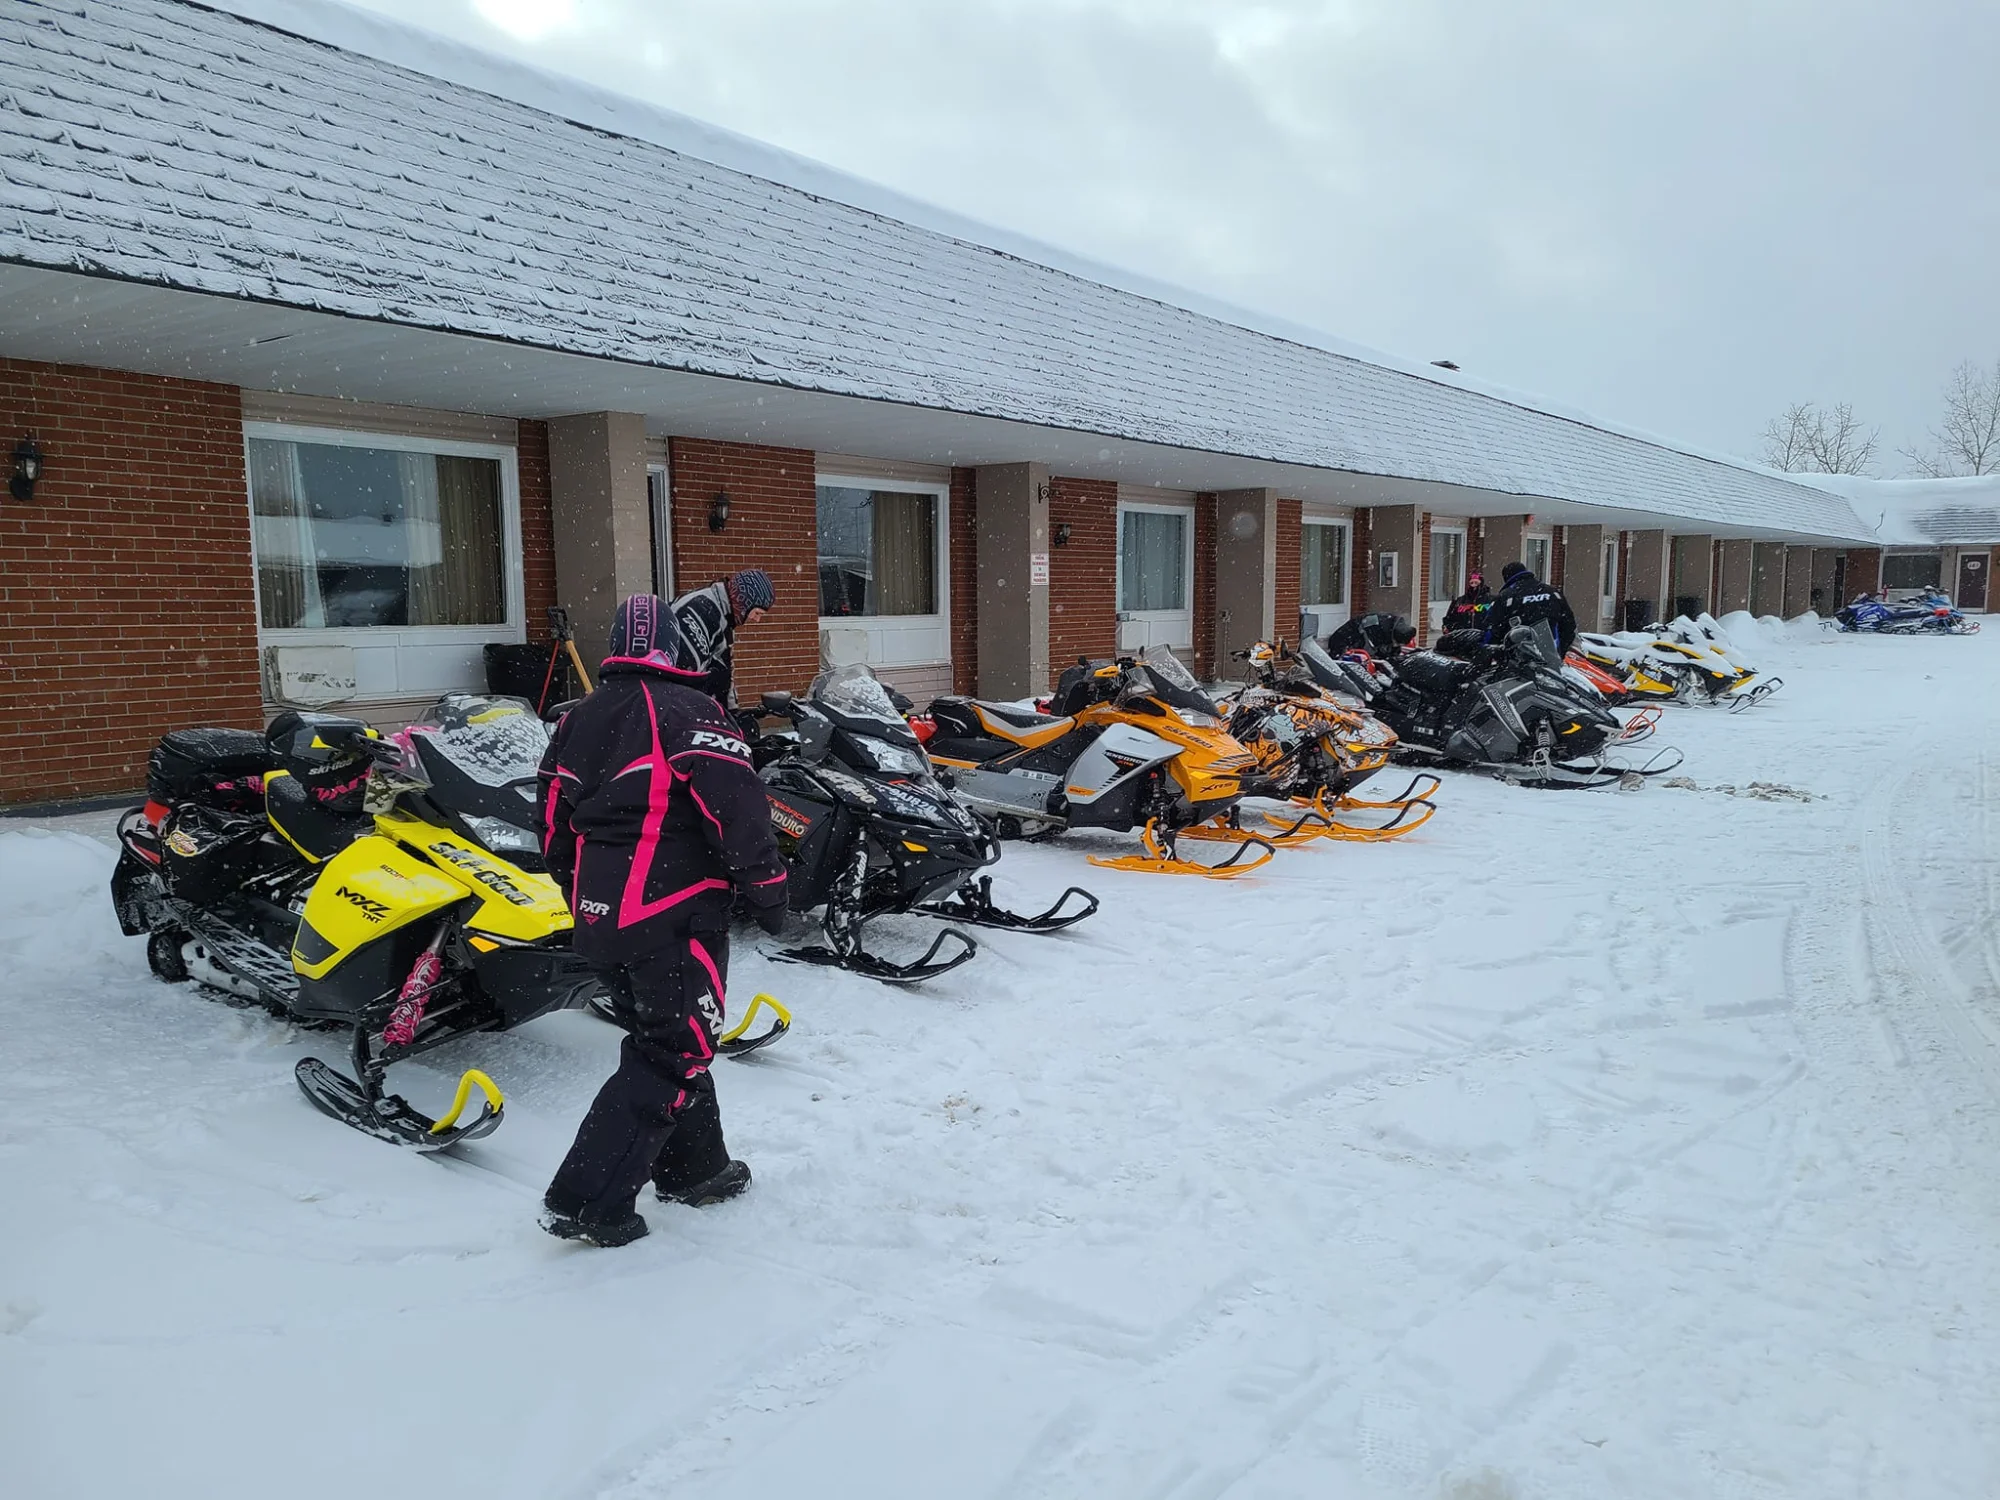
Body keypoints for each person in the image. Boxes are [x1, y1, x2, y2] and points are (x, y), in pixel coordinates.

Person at [537, 594, 790, 1248]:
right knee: (675, 1050)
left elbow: (551, 822)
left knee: (667, 1037)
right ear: (674, 646)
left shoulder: (577, 718)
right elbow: (738, 810)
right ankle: (586, 1202)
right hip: (671, 910)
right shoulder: (692, 709)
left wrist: (579, 891)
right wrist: (768, 890)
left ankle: (696, 1170)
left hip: (602, 915)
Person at [671, 568, 775, 708]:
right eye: (757, 613)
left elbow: (723, 673)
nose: (756, 620)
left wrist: (732, 713)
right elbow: (685, 677)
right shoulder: (700, 610)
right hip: (672, 708)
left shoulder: (724, 619)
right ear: (744, 602)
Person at [1485, 560, 1578, 654]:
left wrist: (1500, 652)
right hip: (1551, 655)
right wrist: (1560, 650)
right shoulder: (1552, 592)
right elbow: (1569, 623)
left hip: (1520, 657)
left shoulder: (1507, 596)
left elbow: (1494, 628)